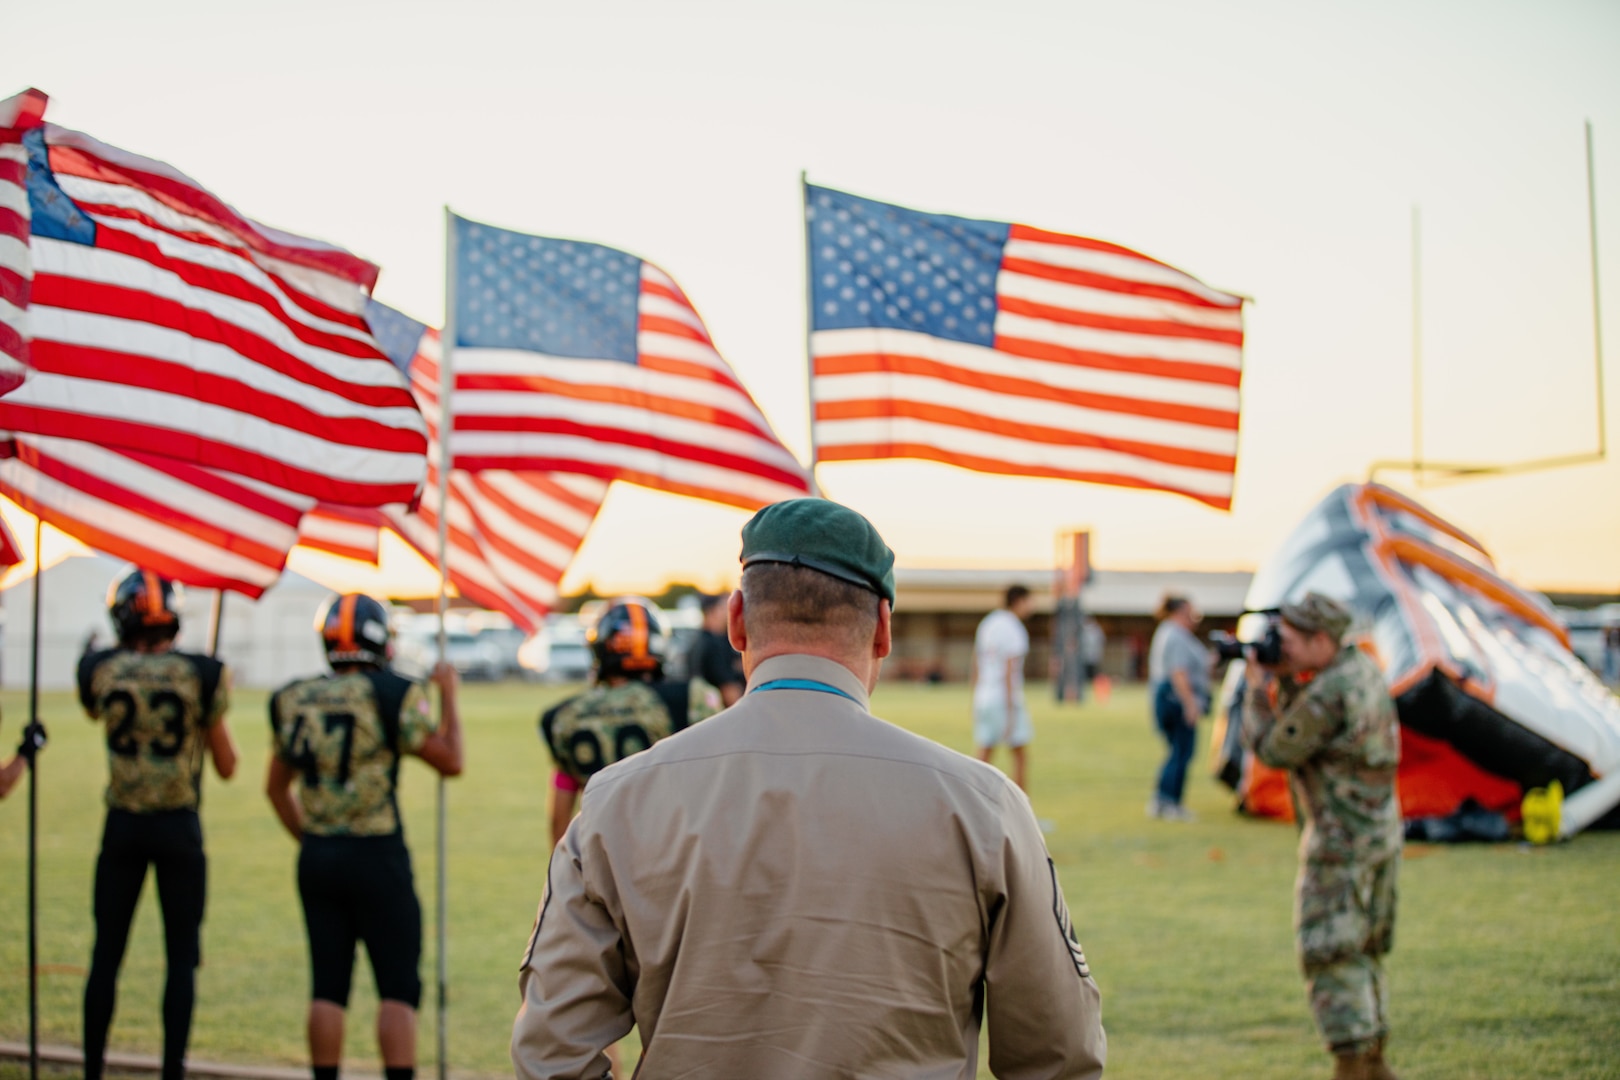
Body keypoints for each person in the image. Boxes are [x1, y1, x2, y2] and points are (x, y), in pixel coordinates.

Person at [512, 498, 1106, 1079]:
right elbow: (1057, 1054)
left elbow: (551, 1050)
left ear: (738, 621)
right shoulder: (983, 806)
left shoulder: (617, 801)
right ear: (883, 631)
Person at [266, 594, 463, 1080]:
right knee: (397, 987)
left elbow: (275, 788)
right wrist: (449, 696)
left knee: (327, 985)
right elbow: (450, 761)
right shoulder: (392, 692)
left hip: (319, 855)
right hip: (377, 854)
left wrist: (313, 839)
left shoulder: (294, 698)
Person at [77, 569, 239, 1080]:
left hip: (122, 824)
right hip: (178, 827)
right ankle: (173, 1069)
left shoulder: (101, 669)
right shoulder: (201, 673)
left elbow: (91, 708)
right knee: (180, 958)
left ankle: (93, 1068)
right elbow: (228, 764)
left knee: (107, 953)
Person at [1241, 592, 1402, 1080]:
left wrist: (1256, 688)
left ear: (1319, 639)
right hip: (1377, 836)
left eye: (1286, 641)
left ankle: (1352, 1063)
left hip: (1340, 844)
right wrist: (1286, 679)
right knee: (1361, 952)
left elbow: (1274, 747)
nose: (1279, 649)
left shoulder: (1332, 691)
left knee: (1329, 952)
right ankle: (1373, 1061)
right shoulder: (1361, 671)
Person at [541, 595, 723, 849]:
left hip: (605, 857)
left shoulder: (565, 716)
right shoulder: (692, 697)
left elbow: (560, 812)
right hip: (672, 851)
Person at [1146, 594, 1211, 822]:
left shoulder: (1170, 633)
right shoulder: (1175, 635)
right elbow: (1179, 672)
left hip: (1169, 698)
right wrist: (1190, 704)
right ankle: (1170, 802)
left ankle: (1163, 799)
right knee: (1181, 751)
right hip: (1176, 699)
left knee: (1176, 751)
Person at [972, 584, 1036, 791]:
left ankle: (974, 804)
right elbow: (1009, 671)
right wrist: (1010, 708)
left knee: (984, 755)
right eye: (1029, 601)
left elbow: (976, 661)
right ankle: (1022, 813)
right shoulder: (1014, 628)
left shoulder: (988, 623)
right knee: (1020, 756)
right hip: (1003, 699)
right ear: (1019, 601)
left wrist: (975, 696)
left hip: (984, 696)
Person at [681, 591, 746, 706]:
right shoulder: (712, 645)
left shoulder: (700, 640)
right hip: (719, 711)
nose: (728, 612)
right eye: (723, 608)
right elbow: (729, 691)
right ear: (712, 611)